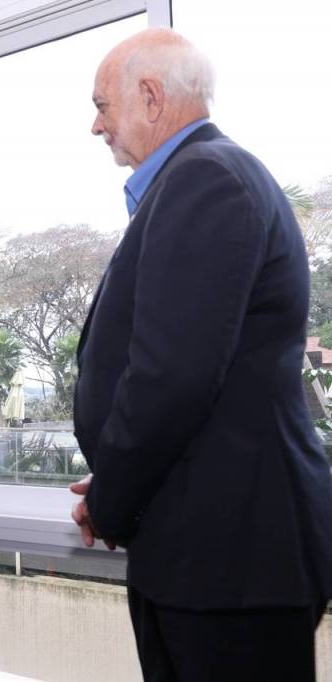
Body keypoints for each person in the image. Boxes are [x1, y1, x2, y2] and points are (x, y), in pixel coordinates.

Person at [70, 28, 332, 681]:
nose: (95, 126)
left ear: (150, 97)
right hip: (210, 553)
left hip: (230, 562)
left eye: (102, 105)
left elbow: (170, 380)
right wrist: (117, 483)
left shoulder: (205, 178)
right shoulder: (202, 178)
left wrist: (109, 501)